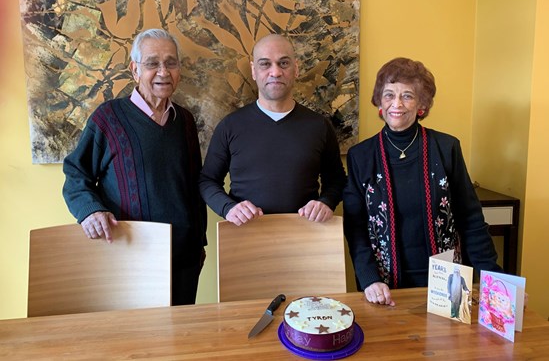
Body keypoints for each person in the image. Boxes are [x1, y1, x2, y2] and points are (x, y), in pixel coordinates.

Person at [62, 28, 207, 305]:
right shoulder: (108, 118)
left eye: (171, 62)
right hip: (130, 257)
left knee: (179, 339)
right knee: (134, 341)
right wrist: (90, 211)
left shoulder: (185, 121)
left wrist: (200, 243)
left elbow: (192, 186)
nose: (163, 71)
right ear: (135, 70)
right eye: (152, 63)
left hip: (184, 258)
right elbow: (75, 173)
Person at [343, 57, 502, 306]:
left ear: (421, 104)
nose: (396, 104)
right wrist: (368, 278)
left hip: (447, 281)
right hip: (384, 286)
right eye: (388, 95)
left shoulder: (446, 147)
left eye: (407, 95)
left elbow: (470, 218)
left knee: (451, 345)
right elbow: (355, 228)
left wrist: (495, 281)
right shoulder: (360, 156)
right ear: (379, 102)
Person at [199, 34, 346, 225]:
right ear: (253, 70)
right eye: (265, 64)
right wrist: (228, 208)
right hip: (246, 237)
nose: (275, 72)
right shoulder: (230, 126)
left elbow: (337, 179)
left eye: (283, 63)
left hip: (307, 238)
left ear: (296, 68)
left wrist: (326, 202)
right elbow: (207, 181)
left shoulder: (319, 125)